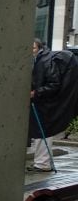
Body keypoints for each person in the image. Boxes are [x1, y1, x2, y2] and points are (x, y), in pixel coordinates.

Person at [29, 38, 78, 172]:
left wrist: (36, 93)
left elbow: (53, 84)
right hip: (43, 103)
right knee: (42, 134)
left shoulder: (43, 61)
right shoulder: (40, 60)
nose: (30, 51)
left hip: (44, 104)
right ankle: (43, 163)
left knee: (42, 134)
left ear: (39, 48)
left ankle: (42, 164)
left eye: (33, 48)